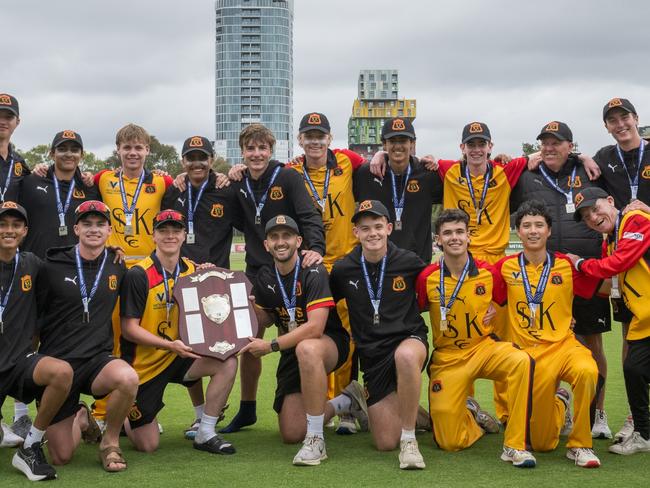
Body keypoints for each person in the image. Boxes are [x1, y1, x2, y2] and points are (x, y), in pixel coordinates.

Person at [221, 123, 325, 433]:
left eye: (262, 148)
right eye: (250, 149)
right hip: (257, 270)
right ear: (242, 152)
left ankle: (317, 400)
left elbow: (309, 215)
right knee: (248, 337)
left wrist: (316, 249)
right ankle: (247, 408)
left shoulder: (288, 177)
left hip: (291, 267)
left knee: (303, 330)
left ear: (271, 149)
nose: (256, 154)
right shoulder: (237, 182)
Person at [510, 121, 610, 436]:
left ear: (570, 145)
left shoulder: (590, 172)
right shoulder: (528, 176)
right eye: (545, 143)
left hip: (584, 271)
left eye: (557, 142)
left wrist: (583, 158)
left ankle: (598, 413)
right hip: (542, 276)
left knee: (592, 343)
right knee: (546, 342)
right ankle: (557, 407)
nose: (550, 148)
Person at [242, 215, 366, 465]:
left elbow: (315, 327)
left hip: (327, 342)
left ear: (298, 241)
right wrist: (251, 307)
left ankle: (316, 438)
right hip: (292, 350)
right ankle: (347, 400)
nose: (281, 242)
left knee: (308, 348)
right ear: (266, 244)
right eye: (274, 237)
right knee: (291, 433)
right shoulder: (265, 276)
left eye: (286, 236)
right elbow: (267, 320)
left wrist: (270, 346)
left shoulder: (314, 270)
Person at [416, 209, 536, 467]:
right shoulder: (427, 277)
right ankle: (471, 417)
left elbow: (509, 301)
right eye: (447, 233)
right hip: (448, 357)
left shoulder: (488, 272)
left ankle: (514, 445)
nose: (454, 238)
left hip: (483, 348)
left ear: (469, 236)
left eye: (460, 232)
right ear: (438, 239)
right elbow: (418, 311)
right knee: (449, 442)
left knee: (521, 361)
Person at [493, 200, 603, 468]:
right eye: (527, 225)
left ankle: (580, 445)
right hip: (528, 354)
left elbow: (601, 285)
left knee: (589, 370)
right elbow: (486, 297)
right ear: (518, 231)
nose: (533, 231)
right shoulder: (504, 267)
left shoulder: (566, 264)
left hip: (564, 346)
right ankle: (561, 403)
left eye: (539, 225)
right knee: (542, 443)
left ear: (549, 231)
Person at [120, 209, 237, 454]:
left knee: (227, 360)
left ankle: (205, 432)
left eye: (176, 230)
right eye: (163, 230)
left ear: (185, 235)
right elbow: (129, 329)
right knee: (147, 445)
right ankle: (122, 409)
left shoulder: (194, 271)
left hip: (180, 357)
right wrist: (169, 345)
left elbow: (217, 307)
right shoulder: (138, 274)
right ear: (154, 235)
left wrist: (219, 283)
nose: (170, 235)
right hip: (145, 365)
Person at [35, 200, 137, 471]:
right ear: (76, 228)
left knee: (127, 378)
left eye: (100, 225)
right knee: (61, 457)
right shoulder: (52, 264)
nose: (94, 230)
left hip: (96, 360)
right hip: (59, 365)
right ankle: (81, 415)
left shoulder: (117, 264)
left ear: (109, 230)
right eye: (87, 224)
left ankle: (110, 444)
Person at [330, 200, 428, 470]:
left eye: (377, 227)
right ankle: (421, 418)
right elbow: (325, 303)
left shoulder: (409, 262)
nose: (372, 233)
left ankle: (410, 441)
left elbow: (437, 288)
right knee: (385, 441)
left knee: (406, 357)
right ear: (355, 233)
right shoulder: (343, 269)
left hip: (409, 339)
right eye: (365, 228)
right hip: (373, 354)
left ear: (388, 228)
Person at [91, 124, 173, 426]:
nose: (133, 153)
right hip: (112, 267)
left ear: (147, 151)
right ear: (118, 150)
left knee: (142, 342)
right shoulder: (102, 179)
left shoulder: (163, 182)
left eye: (138, 147)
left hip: (146, 273)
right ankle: (101, 413)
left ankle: (139, 408)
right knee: (109, 341)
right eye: (127, 147)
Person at [569, 187, 650, 455]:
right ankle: (644, 434)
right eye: (585, 215)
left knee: (636, 370)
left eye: (595, 208)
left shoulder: (634, 218)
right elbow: (608, 283)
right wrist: (561, 281)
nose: (593, 217)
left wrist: (579, 264)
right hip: (643, 317)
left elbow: (618, 263)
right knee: (634, 371)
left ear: (611, 201)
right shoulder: (609, 240)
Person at [0, 201, 73, 481]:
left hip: (19, 362)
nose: (9, 230)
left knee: (62, 372)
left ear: (25, 230)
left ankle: (30, 445)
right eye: (3, 224)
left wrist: (110, 253)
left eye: (15, 225)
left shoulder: (32, 264)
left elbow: (70, 266)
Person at [592, 98, 650, 441]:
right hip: (628, 265)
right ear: (607, 126)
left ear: (636, 118)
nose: (620, 124)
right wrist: (581, 157)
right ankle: (635, 416)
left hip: (640, 251)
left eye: (624, 117)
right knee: (632, 334)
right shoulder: (604, 158)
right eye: (613, 120)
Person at [355, 117, 443, 264]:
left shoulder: (428, 175)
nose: (398, 146)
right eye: (392, 141)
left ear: (412, 143)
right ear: (384, 144)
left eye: (403, 140)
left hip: (418, 262)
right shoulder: (367, 174)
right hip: (377, 262)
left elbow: (461, 176)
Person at [0, 94, 33, 440]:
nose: (2, 120)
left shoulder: (21, 164)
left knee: (13, 332)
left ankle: (18, 415)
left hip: (7, 253)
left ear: (17, 122)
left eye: (8, 116)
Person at [20, 130, 99, 258]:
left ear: (82, 155)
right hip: (37, 264)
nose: (68, 154)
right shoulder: (31, 182)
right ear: (52, 154)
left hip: (74, 265)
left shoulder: (89, 189)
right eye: (62, 149)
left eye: (74, 150)